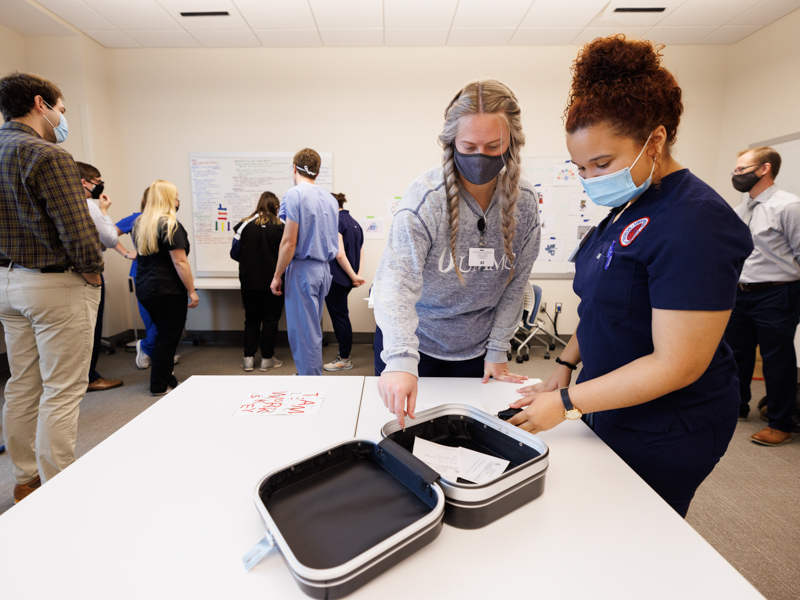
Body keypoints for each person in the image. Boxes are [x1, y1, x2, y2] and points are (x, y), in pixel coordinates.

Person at [507, 36, 754, 518]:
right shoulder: (627, 208)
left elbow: (677, 364)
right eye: (580, 168)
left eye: (603, 163)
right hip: (608, 400)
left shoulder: (695, 221)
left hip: (670, 423)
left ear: (655, 141)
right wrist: (564, 364)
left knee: (638, 533)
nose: (592, 179)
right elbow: (605, 305)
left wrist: (566, 401)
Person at [374, 79, 541, 428]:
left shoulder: (523, 203)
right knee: (406, 437)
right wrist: (402, 358)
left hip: (476, 351)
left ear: (512, 144)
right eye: (469, 145)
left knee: (469, 437)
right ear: (451, 144)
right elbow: (395, 283)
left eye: (493, 146)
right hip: (415, 345)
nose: (480, 155)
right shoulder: (426, 198)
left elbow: (516, 285)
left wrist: (498, 349)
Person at [0, 72, 103, 502]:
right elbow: (77, 232)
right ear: (40, 103)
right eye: (61, 108)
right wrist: (94, 271)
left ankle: (26, 480)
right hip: (54, 286)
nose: (63, 117)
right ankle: (60, 488)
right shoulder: (49, 155)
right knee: (61, 389)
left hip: (7, 283)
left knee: (22, 383)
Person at [725, 147, 800, 446]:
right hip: (740, 292)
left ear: (765, 168)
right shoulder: (742, 209)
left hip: (777, 293)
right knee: (734, 355)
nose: (736, 174)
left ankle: (781, 423)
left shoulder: (789, 206)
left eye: (742, 169)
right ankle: (737, 407)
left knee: (776, 359)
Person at [270, 149, 339, 376]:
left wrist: (277, 275)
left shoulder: (294, 195)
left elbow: (289, 242)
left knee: (303, 332)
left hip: (303, 269)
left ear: (294, 169)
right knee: (312, 329)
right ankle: (310, 374)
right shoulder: (329, 198)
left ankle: (310, 383)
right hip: (323, 270)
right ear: (317, 173)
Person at [133, 180, 199, 395]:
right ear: (168, 199)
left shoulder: (141, 224)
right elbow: (179, 262)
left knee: (162, 333)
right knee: (168, 337)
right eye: (176, 196)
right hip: (167, 289)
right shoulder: (170, 225)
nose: (178, 200)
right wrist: (191, 290)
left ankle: (166, 377)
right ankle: (159, 385)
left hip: (145, 288)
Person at [116, 187, 180, 370]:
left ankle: (155, 350)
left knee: (165, 320)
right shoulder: (137, 218)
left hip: (166, 275)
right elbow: (105, 235)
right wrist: (126, 253)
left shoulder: (168, 220)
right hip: (143, 274)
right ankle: (148, 348)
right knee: (153, 319)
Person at [76, 161, 126, 392]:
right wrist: (104, 211)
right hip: (87, 275)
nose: (100, 186)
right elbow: (110, 239)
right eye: (97, 182)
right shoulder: (88, 205)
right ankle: (90, 377)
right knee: (90, 329)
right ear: (84, 182)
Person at [231, 191, 285, 372]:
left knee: (251, 319)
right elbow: (289, 253)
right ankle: (267, 359)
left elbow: (234, 253)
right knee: (271, 319)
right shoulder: (281, 226)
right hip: (274, 282)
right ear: (275, 207)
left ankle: (248, 358)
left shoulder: (245, 224)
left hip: (249, 281)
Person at [324, 192, 366, 371]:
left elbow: (340, 254)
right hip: (347, 278)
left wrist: (353, 276)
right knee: (342, 315)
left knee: (340, 317)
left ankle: (344, 359)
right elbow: (361, 251)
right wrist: (356, 275)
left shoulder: (335, 221)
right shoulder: (354, 222)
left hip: (337, 278)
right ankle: (345, 355)